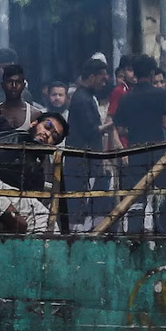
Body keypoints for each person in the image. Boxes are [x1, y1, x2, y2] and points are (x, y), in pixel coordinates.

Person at [0, 71, 69, 193]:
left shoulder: (38, 175)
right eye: (48, 126)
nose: (48, 134)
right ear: (34, 123)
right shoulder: (6, 132)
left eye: (54, 136)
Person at [113, 55, 166, 233]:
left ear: (134, 72)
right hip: (158, 152)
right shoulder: (160, 94)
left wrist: (134, 129)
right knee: (163, 196)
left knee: (136, 198)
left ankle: (135, 235)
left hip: (135, 153)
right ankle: (164, 235)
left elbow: (119, 128)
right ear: (151, 73)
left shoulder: (126, 98)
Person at [65, 58, 111, 229]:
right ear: (92, 77)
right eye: (102, 78)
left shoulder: (87, 97)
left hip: (87, 162)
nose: (104, 83)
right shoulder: (81, 99)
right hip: (81, 163)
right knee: (79, 205)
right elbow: (91, 131)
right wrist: (111, 124)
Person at [0, 64, 44, 131]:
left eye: (18, 82)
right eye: (10, 82)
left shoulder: (34, 114)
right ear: (2, 85)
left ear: (24, 85)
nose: (14, 86)